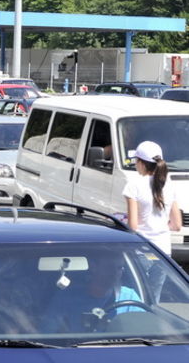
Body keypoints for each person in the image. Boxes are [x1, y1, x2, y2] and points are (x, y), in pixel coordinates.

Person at [123, 141, 180, 303]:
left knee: (134, 296)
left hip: (140, 250)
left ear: (141, 163)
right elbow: (176, 225)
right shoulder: (169, 186)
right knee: (153, 300)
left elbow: (133, 226)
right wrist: (159, 226)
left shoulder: (134, 186)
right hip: (163, 251)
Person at [42, 251, 143, 333]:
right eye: (109, 267)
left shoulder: (130, 297)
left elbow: (144, 330)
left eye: (119, 268)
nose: (115, 273)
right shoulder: (68, 297)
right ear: (93, 267)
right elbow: (46, 331)